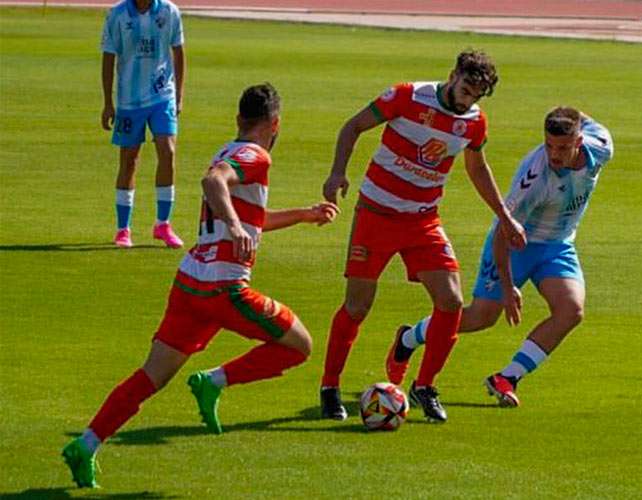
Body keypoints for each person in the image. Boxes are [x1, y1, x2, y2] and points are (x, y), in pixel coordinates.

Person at [61, 83, 340, 488]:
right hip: (224, 289)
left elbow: (247, 214)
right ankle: (213, 381)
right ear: (274, 124)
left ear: (238, 120)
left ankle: (85, 444)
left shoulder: (228, 148)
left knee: (151, 375)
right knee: (300, 346)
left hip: (190, 282)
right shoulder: (255, 155)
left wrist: (302, 215)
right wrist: (232, 225)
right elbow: (213, 182)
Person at [319, 50, 526, 423]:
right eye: (465, 89)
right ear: (453, 75)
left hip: (423, 220)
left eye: (476, 96)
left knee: (450, 301)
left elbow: (477, 168)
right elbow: (353, 127)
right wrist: (337, 173)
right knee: (357, 306)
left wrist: (505, 217)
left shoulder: (474, 123)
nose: (468, 100)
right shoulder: (406, 96)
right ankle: (329, 387)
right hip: (377, 214)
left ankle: (425, 386)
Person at [388, 107, 613, 407]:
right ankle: (409, 338)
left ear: (579, 140)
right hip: (514, 242)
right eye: (549, 146)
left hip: (557, 244)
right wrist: (508, 288)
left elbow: (581, 116)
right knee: (482, 317)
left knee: (571, 310)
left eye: (562, 147)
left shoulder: (601, 146)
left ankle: (507, 378)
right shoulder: (534, 179)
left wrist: (566, 111)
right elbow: (502, 233)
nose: (554, 154)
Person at [101, 0, 186, 248]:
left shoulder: (169, 11)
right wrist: (108, 102)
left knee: (168, 152)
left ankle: (163, 224)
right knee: (129, 160)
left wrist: (178, 95)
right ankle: (123, 228)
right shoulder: (117, 15)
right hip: (129, 99)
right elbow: (108, 57)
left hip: (162, 95)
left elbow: (178, 52)